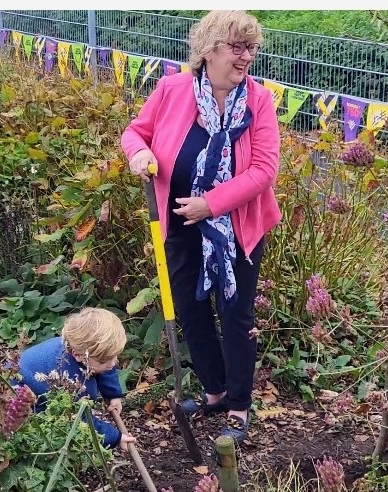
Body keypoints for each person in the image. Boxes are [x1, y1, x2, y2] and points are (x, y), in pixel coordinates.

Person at [120, 10, 281, 445]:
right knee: (190, 308)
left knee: (235, 314)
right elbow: (135, 132)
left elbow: (264, 171)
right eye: (237, 47)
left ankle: (240, 405)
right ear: (209, 48)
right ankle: (214, 391)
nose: (246, 56)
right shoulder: (172, 89)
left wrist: (211, 205)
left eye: (252, 48)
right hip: (176, 223)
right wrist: (137, 154)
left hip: (238, 227)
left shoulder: (259, 101)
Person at [14, 308, 137, 451]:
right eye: (105, 360)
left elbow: (105, 368)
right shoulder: (69, 379)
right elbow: (79, 420)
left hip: (33, 380)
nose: (113, 363)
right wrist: (115, 437)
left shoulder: (82, 349)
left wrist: (113, 395)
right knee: (46, 430)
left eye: (115, 356)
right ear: (78, 355)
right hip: (23, 399)